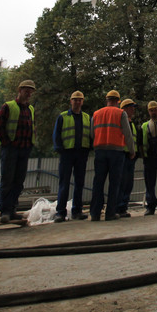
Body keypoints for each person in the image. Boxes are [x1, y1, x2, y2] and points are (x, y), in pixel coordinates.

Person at [88, 90, 135, 221]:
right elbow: (127, 134)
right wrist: (132, 150)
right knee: (114, 183)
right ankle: (110, 213)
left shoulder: (96, 114)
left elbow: (92, 134)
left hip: (100, 151)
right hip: (116, 152)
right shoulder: (121, 113)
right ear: (118, 101)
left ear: (107, 99)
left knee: (98, 182)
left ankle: (95, 213)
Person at [0, 79, 36, 223]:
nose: (29, 94)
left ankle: (12, 209)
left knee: (19, 181)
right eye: (26, 91)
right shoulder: (8, 106)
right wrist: (7, 143)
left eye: (31, 92)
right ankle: (5, 211)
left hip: (24, 149)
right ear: (20, 91)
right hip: (11, 149)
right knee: (7, 180)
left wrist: (31, 144)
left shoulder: (30, 109)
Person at [52, 90, 92, 222]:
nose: (77, 102)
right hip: (67, 153)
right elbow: (57, 135)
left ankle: (77, 211)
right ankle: (60, 212)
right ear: (71, 101)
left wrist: (89, 148)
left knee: (79, 183)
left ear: (82, 102)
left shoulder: (87, 117)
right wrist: (60, 149)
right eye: (75, 100)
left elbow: (91, 135)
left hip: (81, 153)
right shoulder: (63, 116)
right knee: (64, 183)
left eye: (80, 100)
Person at [114, 98, 142, 218]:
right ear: (124, 109)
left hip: (131, 157)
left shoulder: (132, 124)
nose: (133, 110)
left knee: (128, 184)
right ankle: (119, 207)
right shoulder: (122, 122)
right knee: (122, 183)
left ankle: (123, 207)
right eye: (131, 107)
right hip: (123, 155)